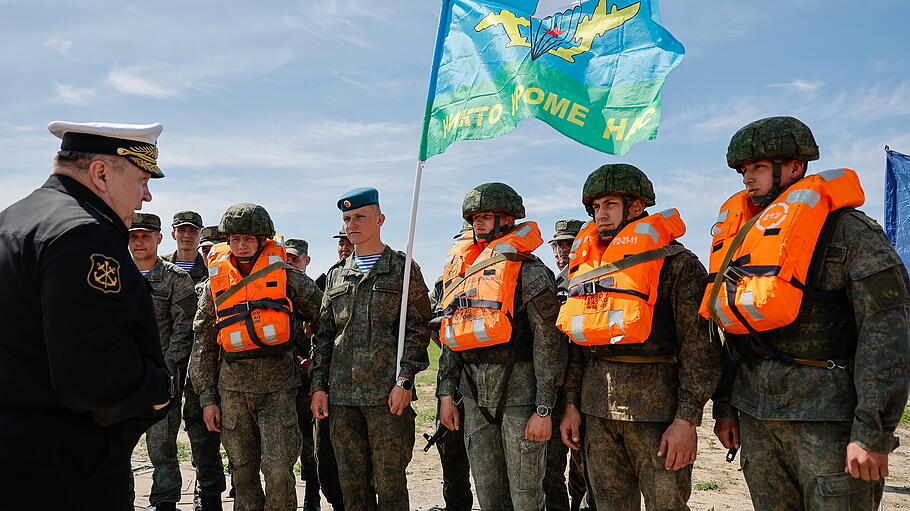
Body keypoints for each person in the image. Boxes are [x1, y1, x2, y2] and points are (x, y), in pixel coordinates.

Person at [707, 116, 910, 510]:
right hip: (757, 418)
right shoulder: (743, 238)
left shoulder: (852, 232)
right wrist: (727, 408)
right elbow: (734, 332)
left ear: (795, 167)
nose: (748, 180)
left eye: (759, 168)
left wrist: (872, 432)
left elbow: (887, 334)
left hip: (829, 423)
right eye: (744, 171)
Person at [0, 121, 172, 507]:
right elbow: (93, 364)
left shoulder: (12, 219)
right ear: (101, 173)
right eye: (143, 180)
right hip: (67, 462)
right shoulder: (84, 233)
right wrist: (156, 391)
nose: (145, 198)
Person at [557, 164, 723, 510]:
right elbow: (579, 347)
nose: (600, 215)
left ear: (636, 207)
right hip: (596, 413)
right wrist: (572, 405)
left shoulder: (677, 264)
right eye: (596, 207)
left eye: (610, 205)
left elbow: (700, 348)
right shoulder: (586, 266)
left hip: (657, 416)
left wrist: (686, 420)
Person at [436, 182, 567, 511]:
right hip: (474, 394)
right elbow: (452, 337)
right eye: (474, 218)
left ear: (508, 218)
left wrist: (544, 409)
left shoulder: (532, 272)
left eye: (486, 216)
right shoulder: (461, 274)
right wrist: (446, 394)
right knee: (489, 495)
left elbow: (549, 345)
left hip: (520, 395)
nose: (477, 223)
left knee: (526, 497)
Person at [190, 203, 323, 511]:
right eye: (235, 238)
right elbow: (204, 343)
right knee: (243, 472)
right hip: (233, 392)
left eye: (248, 238)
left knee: (278, 472)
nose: (241, 245)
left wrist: (314, 366)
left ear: (263, 240)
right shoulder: (215, 284)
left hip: (278, 391)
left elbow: (326, 318)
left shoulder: (287, 277)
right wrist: (208, 398)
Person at [310, 187, 432, 511]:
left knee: (391, 486)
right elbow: (323, 337)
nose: (352, 224)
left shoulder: (403, 270)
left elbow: (419, 328)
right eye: (347, 219)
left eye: (360, 217)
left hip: (386, 398)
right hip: (342, 400)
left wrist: (405, 379)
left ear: (379, 220)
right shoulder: (336, 275)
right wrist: (318, 388)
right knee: (353, 490)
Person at [128, 213, 197, 511]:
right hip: (121, 379)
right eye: (133, 236)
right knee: (118, 448)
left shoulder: (175, 278)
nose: (139, 241)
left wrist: (166, 372)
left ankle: (165, 503)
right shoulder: (114, 273)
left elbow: (184, 330)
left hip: (160, 378)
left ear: (158, 238)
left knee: (162, 448)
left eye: (145, 236)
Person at [164, 215, 228, 510]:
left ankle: (224, 492)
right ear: (174, 233)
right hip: (179, 365)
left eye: (194, 231)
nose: (188, 236)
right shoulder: (163, 268)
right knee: (193, 431)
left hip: (219, 365)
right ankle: (201, 491)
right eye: (183, 230)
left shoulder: (223, 273)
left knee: (226, 432)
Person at [545, 218, 593, 511]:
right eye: (558, 244)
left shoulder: (593, 278)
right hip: (555, 385)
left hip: (587, 385)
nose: (563, 249)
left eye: (569, 243)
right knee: (550, 465)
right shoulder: (549, 282)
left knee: (585, 464)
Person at [427, 223, 474, 511]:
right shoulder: (444, 283)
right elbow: (434, 323)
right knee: (451, 451)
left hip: (497, 381)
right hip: (453, 381)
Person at [312, 230, 349, 511]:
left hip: (368, 386)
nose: (343, 246)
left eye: (347, 241)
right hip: (329, 382)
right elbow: (321, 334)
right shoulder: (328, 280)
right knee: (324, 454)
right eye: (340, 242)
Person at [163, 211, 206, 282]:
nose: (187, 235)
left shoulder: (209, 265)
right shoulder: (160, 264)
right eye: (181, 230)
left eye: (193, 231)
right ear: (173, 235)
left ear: (201, 235)